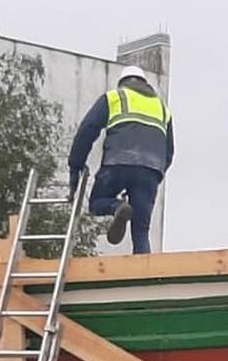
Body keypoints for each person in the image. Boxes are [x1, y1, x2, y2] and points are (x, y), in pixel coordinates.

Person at [68, 65, 173, 254]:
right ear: (145, 84)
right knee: (141, 231)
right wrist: (153, 175)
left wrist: (75, 167)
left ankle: (117, 207)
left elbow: (88, 129)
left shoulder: (114, 97)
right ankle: (144, 276)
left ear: (123, 83)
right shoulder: (163, 109)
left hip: (117, 164)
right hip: (150, 169)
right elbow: (169, 152)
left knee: (97, 202)